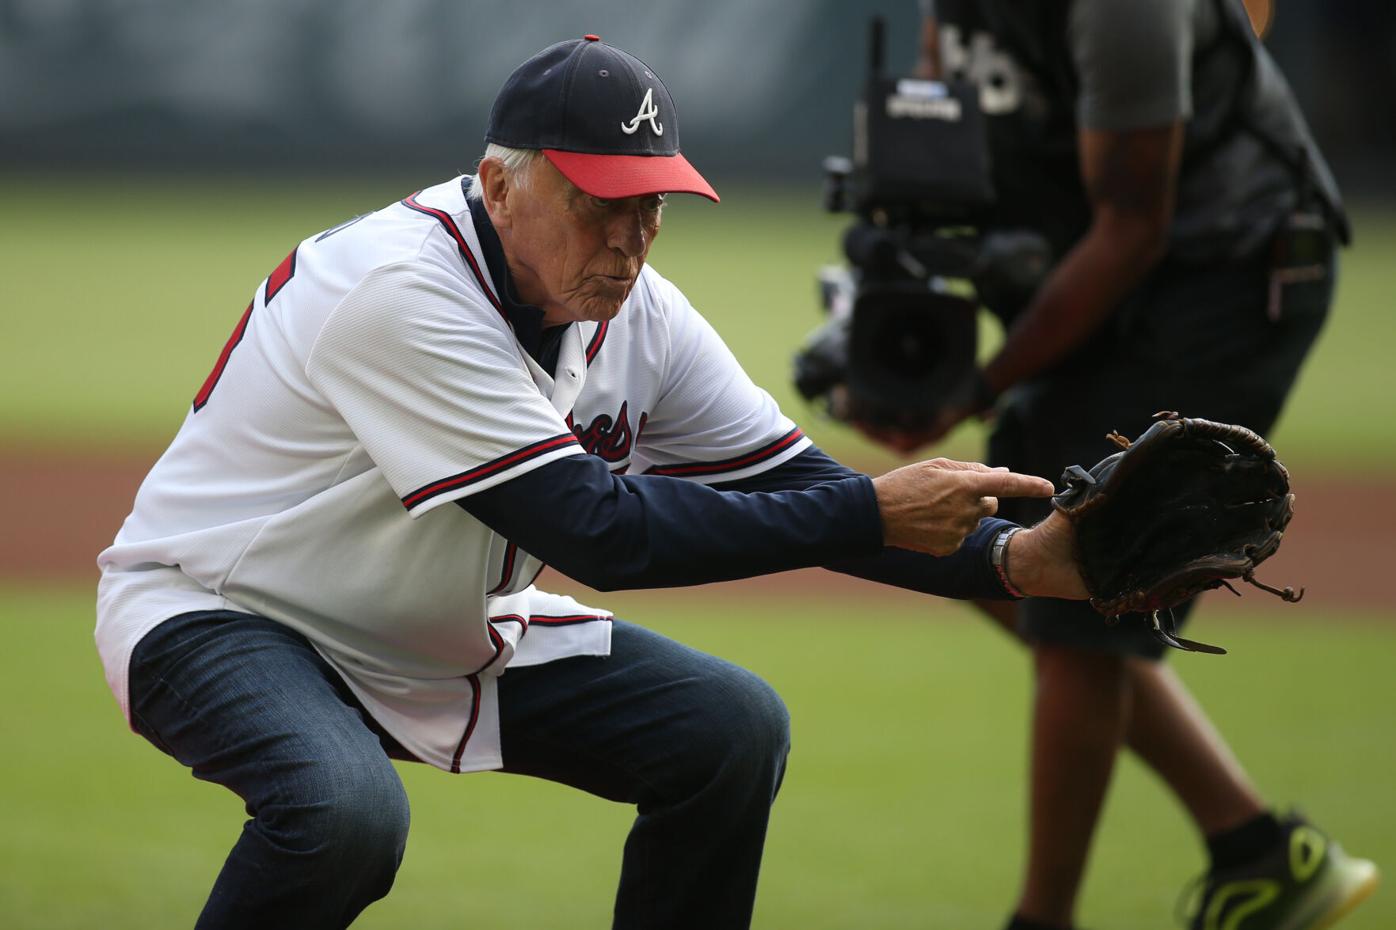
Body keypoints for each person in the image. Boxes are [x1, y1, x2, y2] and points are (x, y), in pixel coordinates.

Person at [95, 36, 1089, 930]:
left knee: (728, 732)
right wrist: (871, 509)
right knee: (343, 815)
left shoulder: (640, 311)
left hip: (427, 624)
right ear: (497, 184)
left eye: (650, 199)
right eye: (598, 196)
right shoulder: (396, 290)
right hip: (221, 610)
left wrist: (1011, 560)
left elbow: (790, 482)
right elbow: (600, 535)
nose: (631, 232)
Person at [856, 2, 1379, 929]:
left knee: (1084, 589)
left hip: (1224, 274)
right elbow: (952, 156)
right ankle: (1259, 850)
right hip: (1119, 276)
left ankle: (1043, 918)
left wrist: (978, 383)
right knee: (1008, 557)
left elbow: (1134, 225)